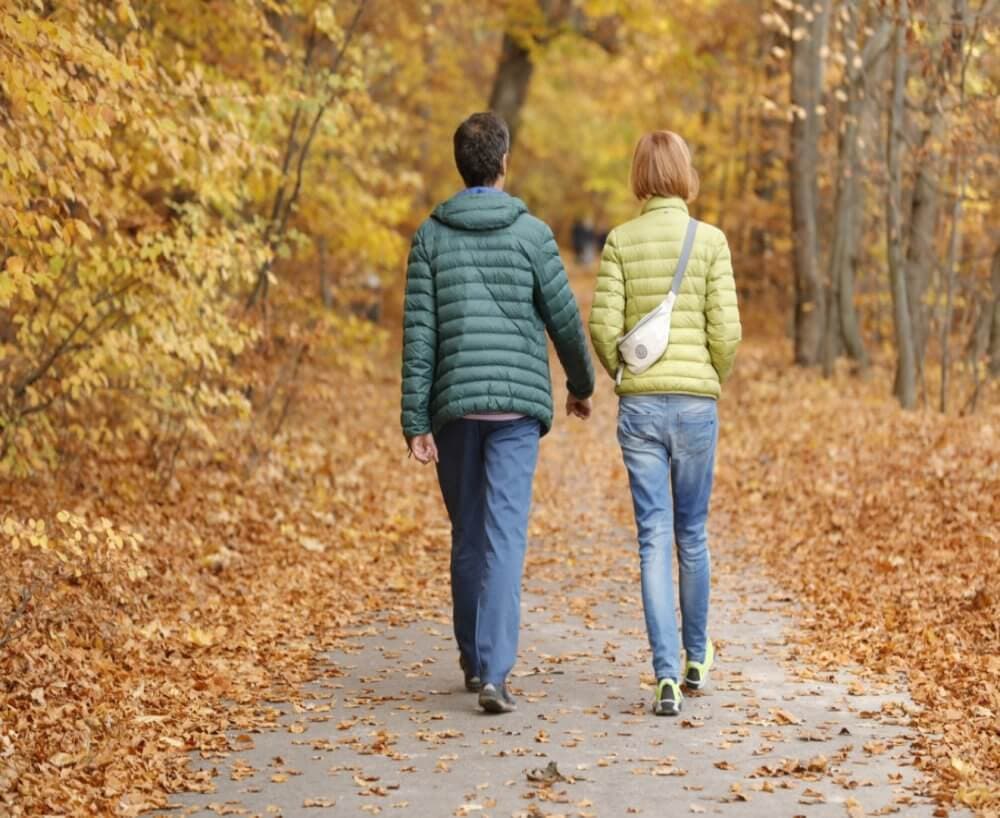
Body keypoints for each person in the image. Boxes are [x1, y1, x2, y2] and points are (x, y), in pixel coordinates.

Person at [401, 112, 595, 714]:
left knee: (468, 531)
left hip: (455, 406)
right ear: (504, 163)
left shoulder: (431, 236)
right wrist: (581, 383)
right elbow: (563, 317)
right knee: (504, 533)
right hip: (514, 411)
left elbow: (419, 334)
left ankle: (471, 654)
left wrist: (415, 420)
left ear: (461, 166)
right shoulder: (531, 234)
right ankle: (494, 672)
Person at [588, 130, 741, 716]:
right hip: (697, 405)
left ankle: (665, 675)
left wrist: (624, 376)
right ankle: (697, 656)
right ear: (684, 174)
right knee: (692, 534)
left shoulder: (620, 242)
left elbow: (603, 328)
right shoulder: (711, 242)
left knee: (653, 537)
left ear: (638, 176)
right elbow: (726, 332)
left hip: (642, 406)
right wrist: (709, 376)